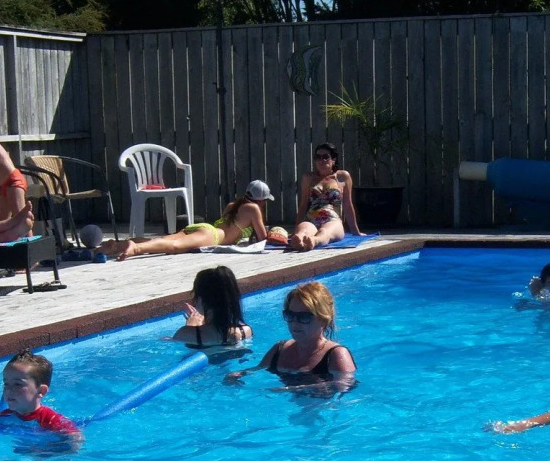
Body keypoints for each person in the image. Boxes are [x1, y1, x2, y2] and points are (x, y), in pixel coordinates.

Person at [225, 281, 355, 390]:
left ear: (323, 319)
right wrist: (240, 374)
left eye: (304, 317)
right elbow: (258, 369)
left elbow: (345, 385)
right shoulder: (279, 350)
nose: (294, 322)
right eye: (290, 315)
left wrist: (295, 388)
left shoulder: (336, 355)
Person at [100, 180, 273, 260]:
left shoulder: (232, 205)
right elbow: (262, 238)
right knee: (174, 248)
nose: (265, 204)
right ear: (261, 200)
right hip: (212, 236)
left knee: (161, 240)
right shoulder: (254, 209)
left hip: (203, 227)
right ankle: (135, 248)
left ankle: (118, 245)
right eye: (265, 201)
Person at [0, 350, 83, 447]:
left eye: (18, 384)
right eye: (6, 384)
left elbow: (76, 437)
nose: (9, 390)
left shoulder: (50, 419)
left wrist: (49, 450)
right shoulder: (6, 415)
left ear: (41, 391)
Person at [288, 144, 361, 251]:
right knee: (302, 231)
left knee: (325, 232)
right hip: (311, 219)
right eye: (318, 157)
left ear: (333, 159)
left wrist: (355, 231)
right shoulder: (308, 178)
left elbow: (347, 205)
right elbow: (303, 205)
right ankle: (299, 240)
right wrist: (296, 229)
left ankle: (314, 241)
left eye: (325, 157)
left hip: (332, 219)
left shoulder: (342, 177)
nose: (321, 160)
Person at [172, 266, 252, 349]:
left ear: (202, 299)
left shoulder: (186, 334)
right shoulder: (246, 331)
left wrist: (190, 326)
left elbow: (167, 341)